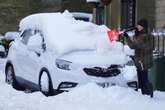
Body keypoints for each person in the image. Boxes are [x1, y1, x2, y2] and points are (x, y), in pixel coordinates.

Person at [123, 19, 153, 97]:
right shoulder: (143, 35)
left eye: (139, 26)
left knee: (143, 79)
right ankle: (145, 93)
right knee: (142, 77)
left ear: (143, 27)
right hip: (141, 60)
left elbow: (133, 45)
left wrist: (127, 37)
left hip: (143, 61)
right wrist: (136, 34)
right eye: (137, 25)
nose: (137, 27)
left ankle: (147, 93)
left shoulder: (144, 36)